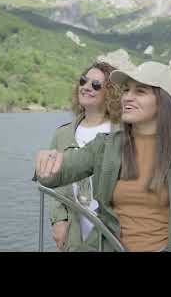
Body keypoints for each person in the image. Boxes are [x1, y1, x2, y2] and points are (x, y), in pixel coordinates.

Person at [35, 61, 171, 252]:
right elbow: (57, 176)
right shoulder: (105, 145)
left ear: (163, 102)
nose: (127, 98)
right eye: (126, 90)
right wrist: (47, 164)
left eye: (140, 92)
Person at [46, 62, 122, 251]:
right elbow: (54, 182)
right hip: (75, 231)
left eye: (96, 85)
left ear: (110, 93)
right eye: (83, 81)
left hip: (114, 231)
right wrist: (58, 220)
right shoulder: (62, 135)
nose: (86, 87)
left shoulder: (123, 132)